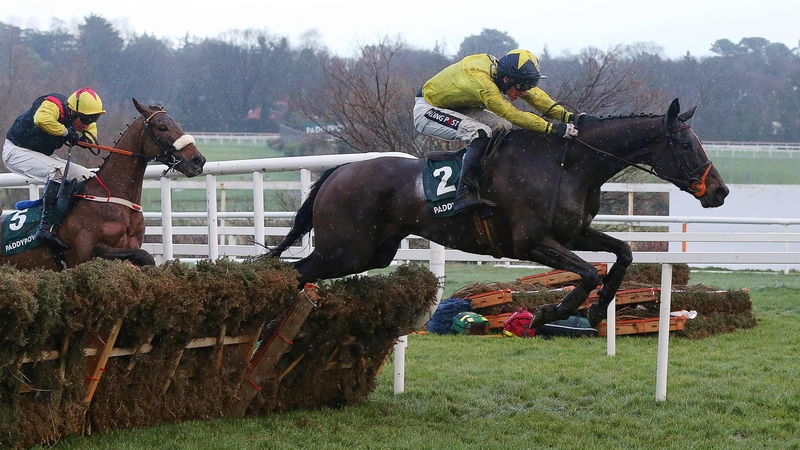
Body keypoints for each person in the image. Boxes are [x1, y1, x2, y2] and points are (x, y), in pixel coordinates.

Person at [414, 49, 587, 214]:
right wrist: (552, 128)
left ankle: (490, 177)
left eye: (527, 85)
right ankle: (463, 193)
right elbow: (512, 114)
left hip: (457, 106)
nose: (524, 92)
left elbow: (536, 97)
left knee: (502, 127)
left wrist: (569, 117)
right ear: (506, 80)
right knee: (480, 133)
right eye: (521, 87)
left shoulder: (506, 74)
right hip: (428, 108)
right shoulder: (483, 83)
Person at [3, 87, 106, 249]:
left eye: (93, 119)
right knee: (55, 172)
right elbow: (41, 119)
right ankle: (45, 228)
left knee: (88, 177)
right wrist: (67, 133)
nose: (87, 124)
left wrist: (86, 138)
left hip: (42, 154)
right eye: (86, 119)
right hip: (16, 151)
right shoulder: (53, 104)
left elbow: (90, 129)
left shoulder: (82, 119)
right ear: (73, 111)